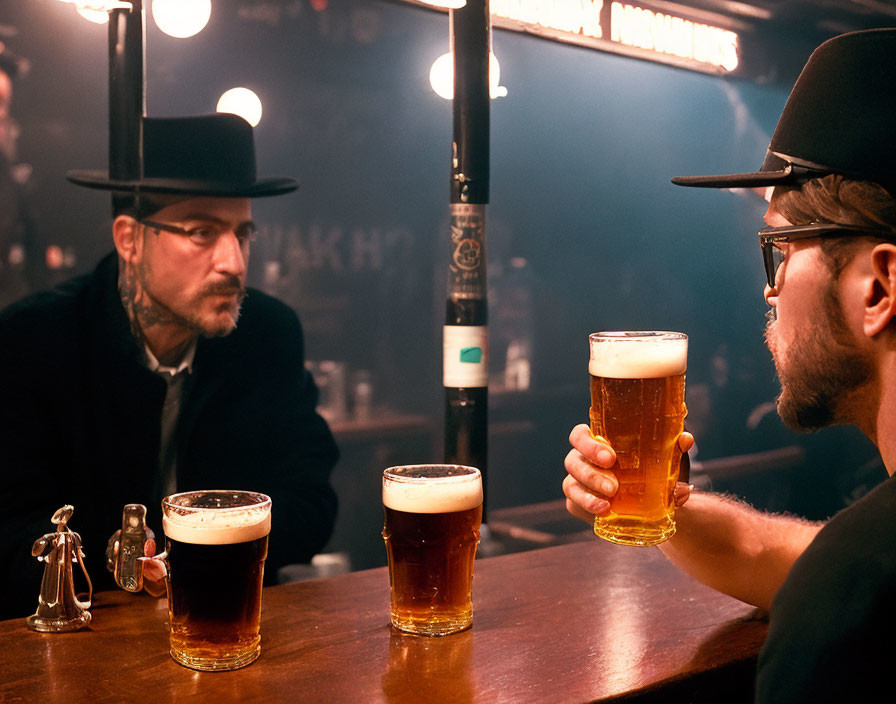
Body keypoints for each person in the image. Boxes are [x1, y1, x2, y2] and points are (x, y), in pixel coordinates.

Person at [563, 28, 896, 703]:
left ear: (880, 288)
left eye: (781, 247)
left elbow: (847, 582)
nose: (768, 289)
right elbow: (809, 562)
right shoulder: (860, 572)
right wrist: (662, 506)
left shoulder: (844, 622)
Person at [0, 113, 339, 619]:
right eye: (203, 232)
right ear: (130, 240)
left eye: (243, 234)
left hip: (228, 624)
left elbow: (311, 501)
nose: (234, 261)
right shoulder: (35, 341)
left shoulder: (267, 334)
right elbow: (9, 532)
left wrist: (200, 556)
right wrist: (126, 567)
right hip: (75, 643)